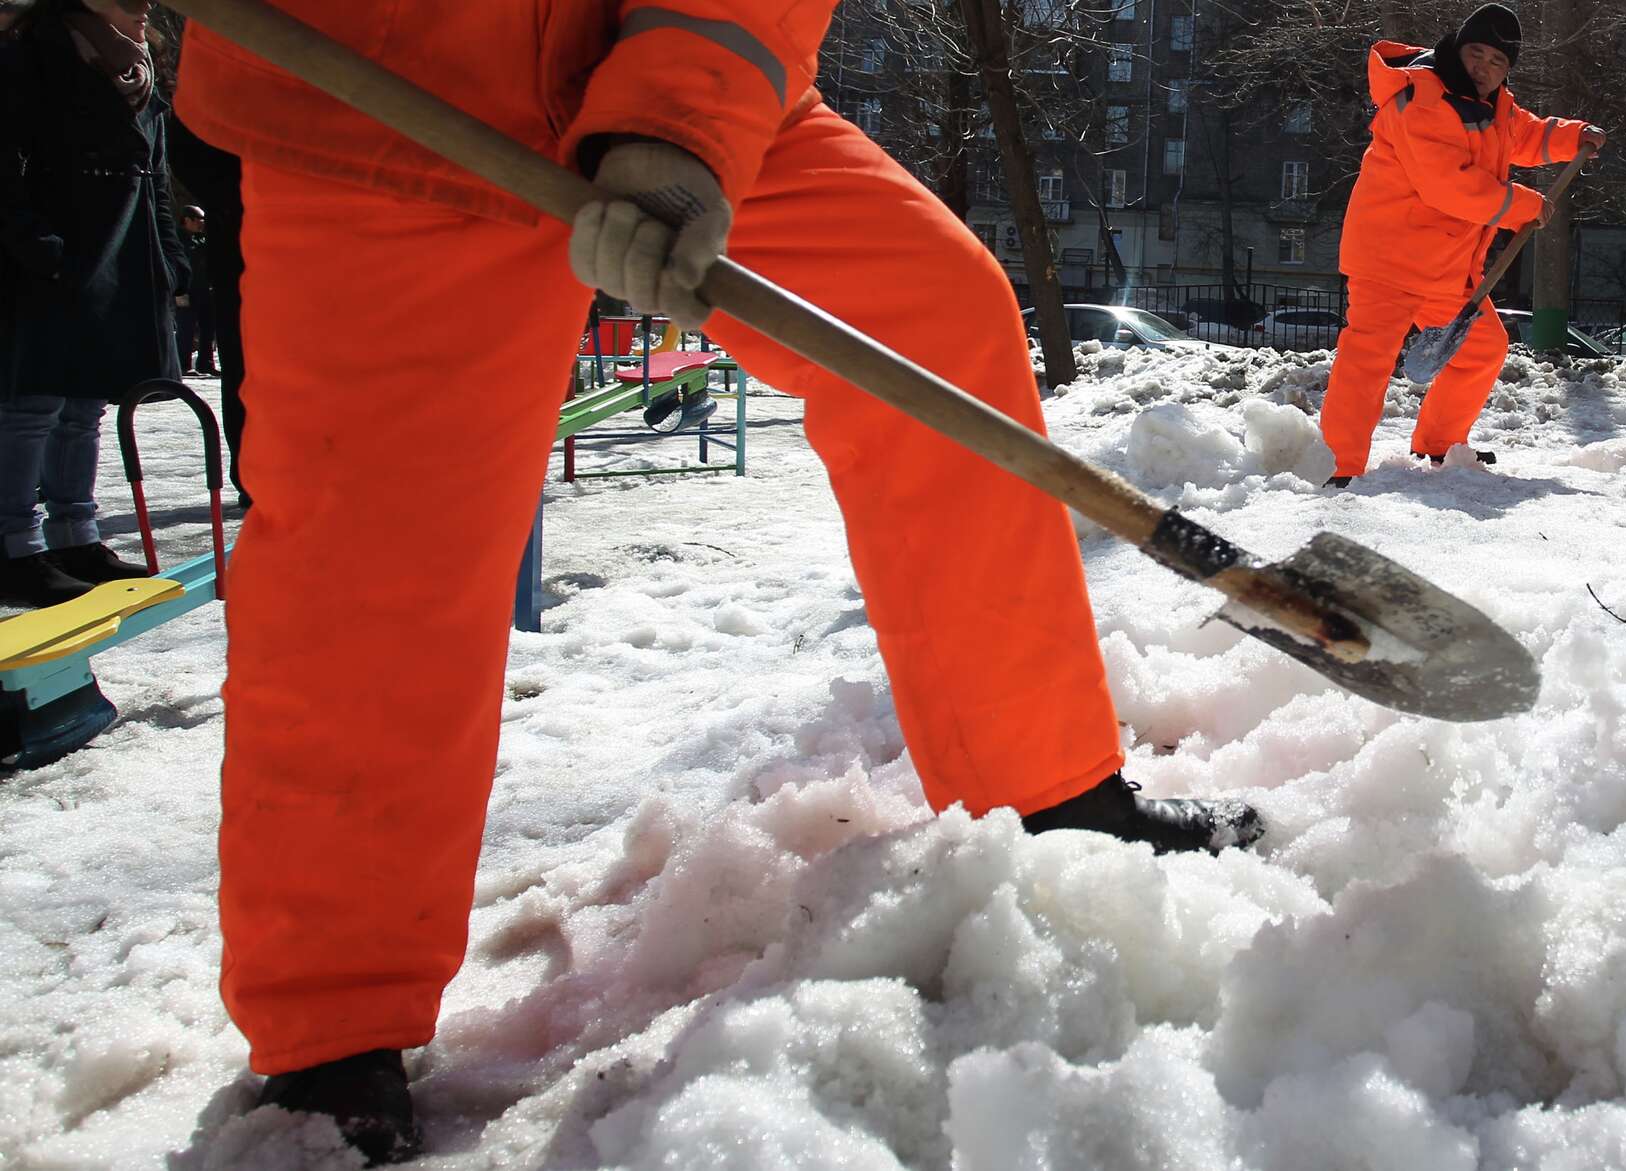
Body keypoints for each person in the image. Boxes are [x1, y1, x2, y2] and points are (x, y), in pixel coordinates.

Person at [175, 3, 1264, 1161]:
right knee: (379, 556)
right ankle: (332, 1031)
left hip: (693, 76)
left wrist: (684, 111)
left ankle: (1050, 789)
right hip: (398, 70)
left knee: (930, 313)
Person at [1319, 3, 1605, 484]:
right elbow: (1448, 187)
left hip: (1445, 268)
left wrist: (1574, 136)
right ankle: (1338, 465)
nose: (1486, 68)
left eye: (1499, 62)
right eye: (1477, 54)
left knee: (1481, 348)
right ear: (1456, 47)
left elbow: (1526, 135)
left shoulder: (1493, 108)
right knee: (1367, 358)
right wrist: (1522, 206)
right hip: (1389, 259)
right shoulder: (1422, 100)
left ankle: (1439, 446)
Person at [0, 0, 177, 608]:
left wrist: (168, 254)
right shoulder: (34, 51)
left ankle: (75, 535)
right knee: (33, 403)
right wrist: (36, 245)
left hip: (119, 249)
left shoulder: (138, 65)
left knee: (84, 402)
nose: (146, 3)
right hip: (53, 247)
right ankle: (14, 547)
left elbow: (153, 171)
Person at [167, 113, 250, 505]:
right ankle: (255, 477)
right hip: (246, 250)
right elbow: (185, 142)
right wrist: (242, 196)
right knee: (249, 370)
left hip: (327, 246)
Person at [173, 203, 217, 375]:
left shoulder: (201, 238)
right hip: (186, 291)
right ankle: (184, 366)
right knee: (186, 329)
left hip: (204, 290)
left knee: (208, 327)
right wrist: (179, 291)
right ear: (187, 220)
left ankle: (206, 364)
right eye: (199, 219)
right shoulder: (177, 240)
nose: (202, 222)